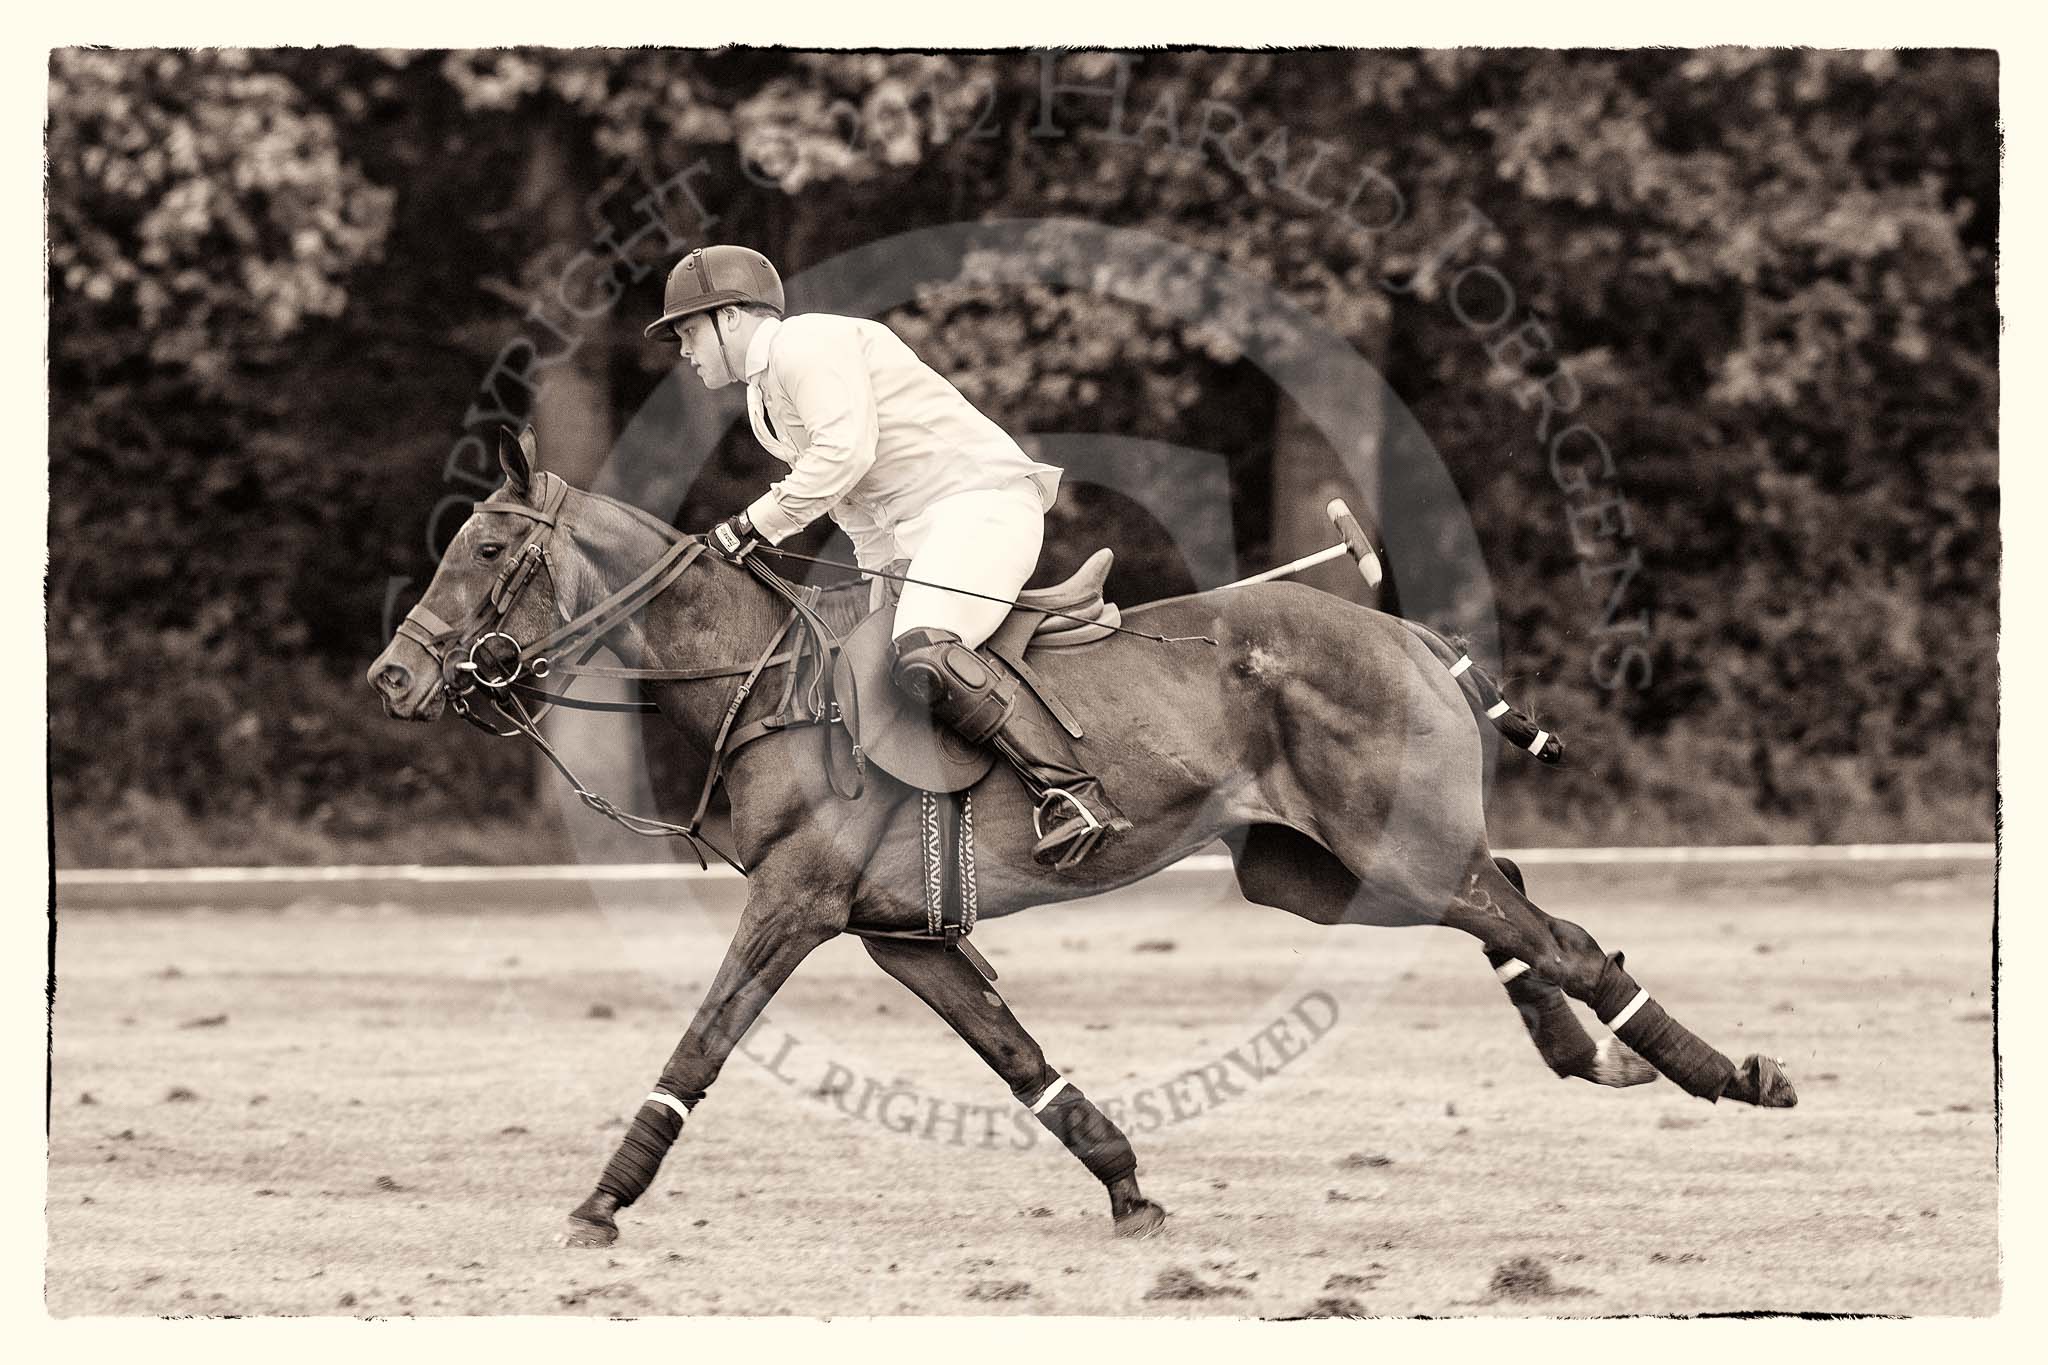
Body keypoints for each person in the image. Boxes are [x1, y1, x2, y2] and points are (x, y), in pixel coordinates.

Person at [644, 245, 1129, 867]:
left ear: (732, 316)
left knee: (925, 646)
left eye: (688, 331)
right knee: (868, 673)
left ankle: (1074, 795)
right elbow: (856, 504)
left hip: (979, 508)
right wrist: (883, 579)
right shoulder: (764, 400)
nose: (684, 350)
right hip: (923, 534)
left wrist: (750, 526)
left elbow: (843, 456)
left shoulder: (804, 346)